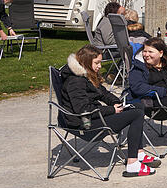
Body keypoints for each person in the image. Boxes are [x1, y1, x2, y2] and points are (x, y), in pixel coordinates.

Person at [61, 44, 159, 177]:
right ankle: (132, 164)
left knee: (137, 106)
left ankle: (138, 153)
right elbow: (83, 110)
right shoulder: (75, 81)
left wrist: (118, 103)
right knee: (136, 114)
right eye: (97, 63)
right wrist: (111, 110)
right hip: (84, 124)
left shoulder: (86, 75)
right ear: (86, 61)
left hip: (92, 117)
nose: (100, 66)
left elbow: (104, 94)